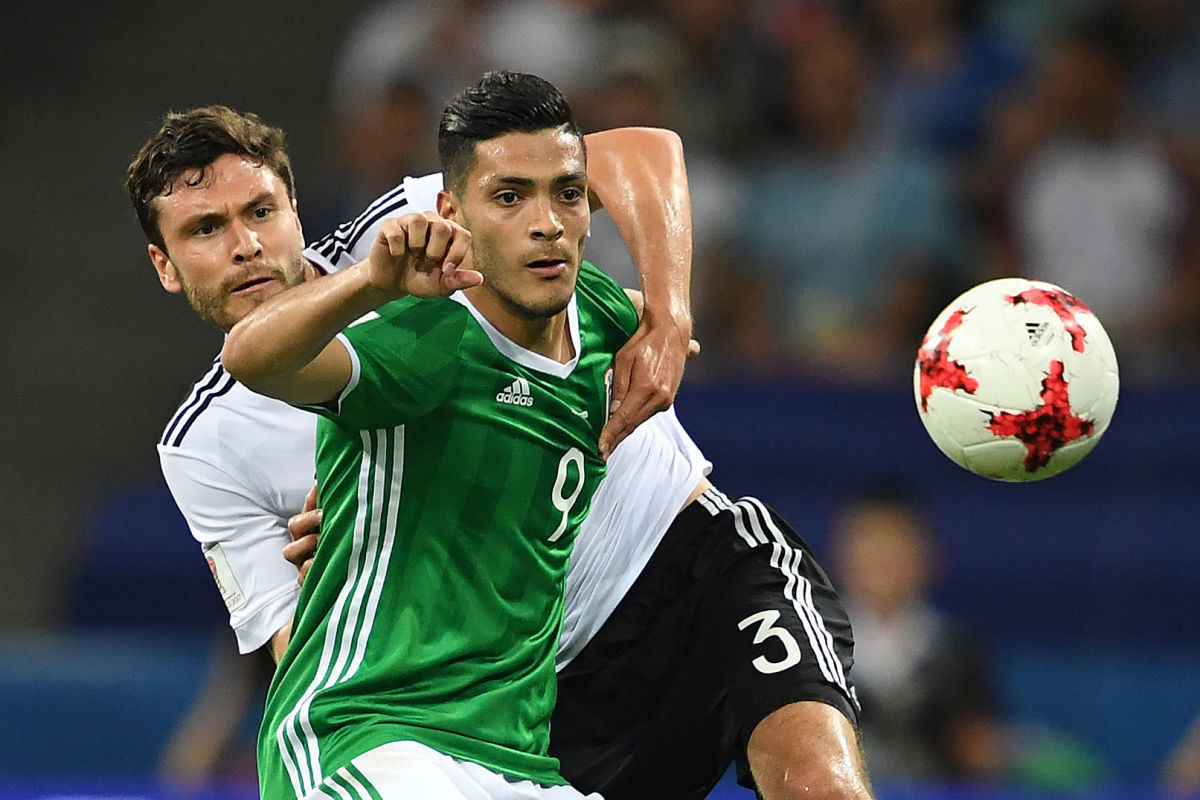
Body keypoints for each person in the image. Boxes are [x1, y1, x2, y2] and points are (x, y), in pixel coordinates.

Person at [128, 94, 869, 800]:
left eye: (260, 212)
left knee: (817, 784)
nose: (245, 247)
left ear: (294, 207)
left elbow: (636, 152)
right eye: (204, 230)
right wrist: (360, 559)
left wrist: (670, 311)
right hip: (534, 693)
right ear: (164, 266)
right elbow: (300, 644)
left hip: (685, 554)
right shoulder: (207, 445)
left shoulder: (412, 228)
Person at [221, 70, 644, 797]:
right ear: (454, 212)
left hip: (520, 760)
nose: (547, 222)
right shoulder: (422, 337)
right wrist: (370, 283)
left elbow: (654, 159)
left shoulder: (601, 318)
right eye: (509, 197)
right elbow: (250, 356)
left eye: (567, 193)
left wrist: (672, 324)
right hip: (368, 733)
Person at [830, 485, 1006, 783]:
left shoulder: (956, 651)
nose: (881, 557)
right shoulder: (808, 646)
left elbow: (980, 750)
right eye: (869, 540)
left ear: (929, 556)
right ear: (841, 555)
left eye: (895, 541)